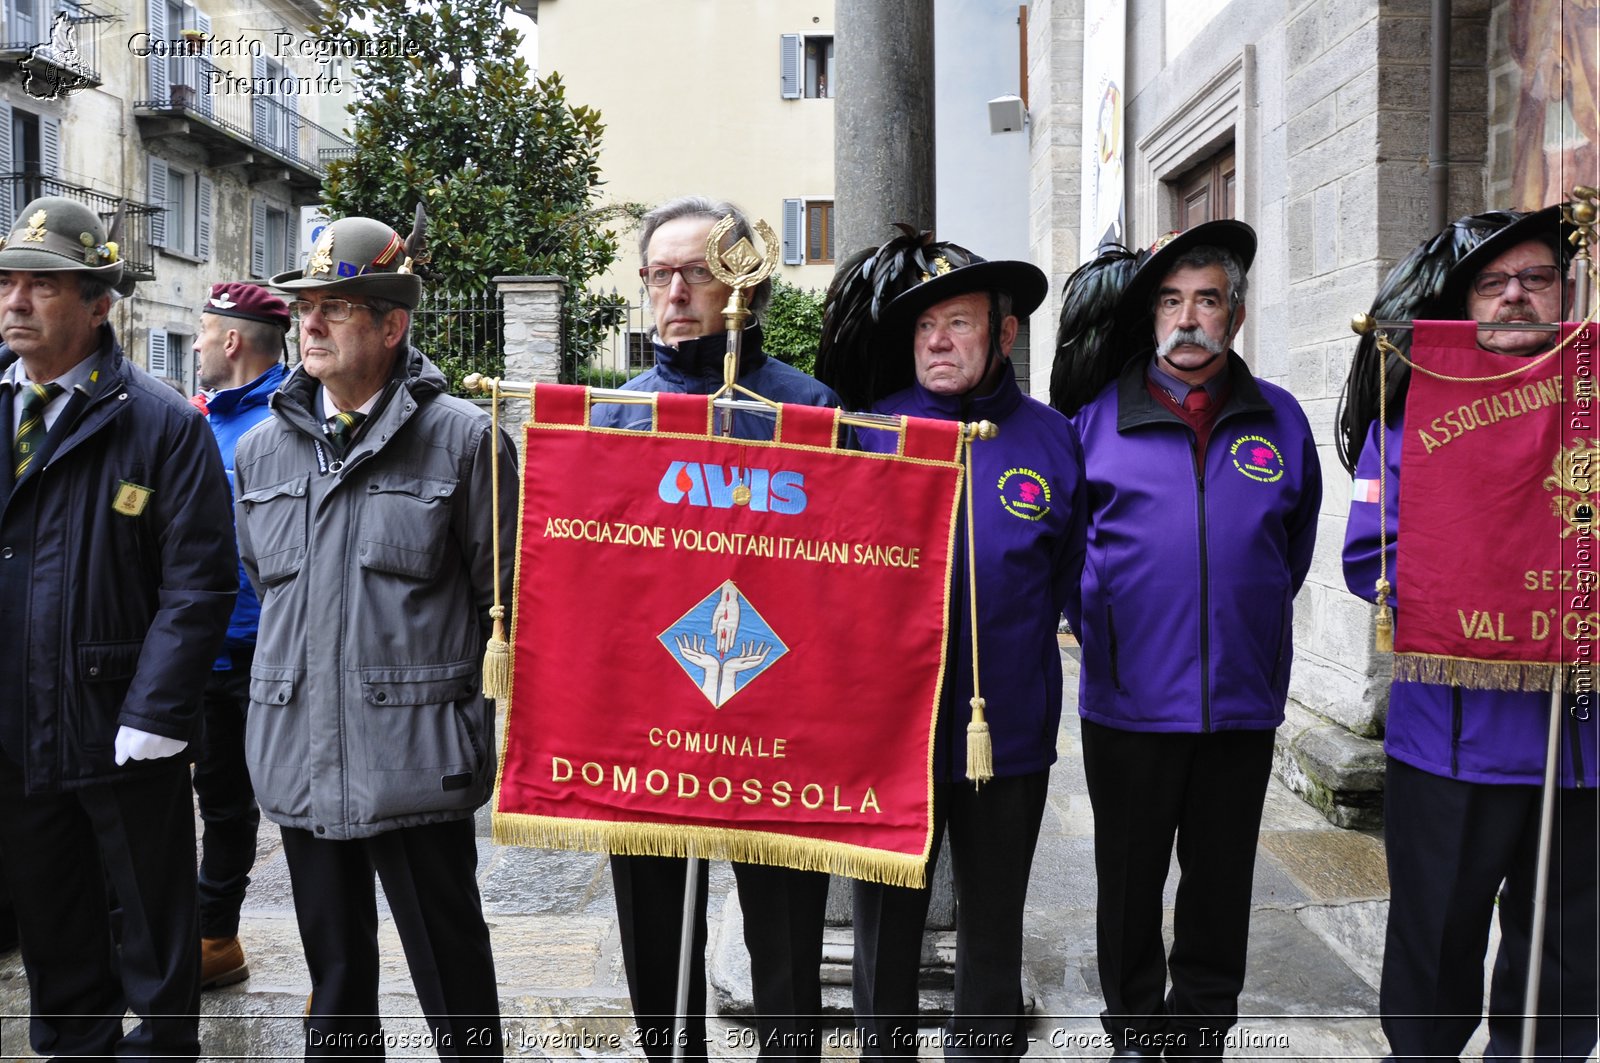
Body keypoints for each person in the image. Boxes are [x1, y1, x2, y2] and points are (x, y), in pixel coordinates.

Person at [235, 213, 515, 1059]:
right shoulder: (261, 451)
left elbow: (500, 594)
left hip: (418, 755)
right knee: (336, 980)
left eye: (337, 309)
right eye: (303, 307)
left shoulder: (465, 440)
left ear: (392, 326)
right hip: (299, 755)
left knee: (452, 972)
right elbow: (267, 585)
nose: (309, 325)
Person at [815, 231, 1087, 1060]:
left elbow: (1070, 574)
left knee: (995, 918)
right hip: (890, 731)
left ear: (1003, 335)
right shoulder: (870, 430)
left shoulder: (1052, 439)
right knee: (883, 922)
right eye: (926, 325)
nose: (937, 340)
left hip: (1006, 727)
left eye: (959, 323)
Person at [1054, 220, 1321, 1060]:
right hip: (1131, 702)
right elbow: (1068, 554)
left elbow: (1295, 544)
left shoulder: (1281, 420)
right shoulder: (1096, 423)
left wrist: (1249, 629)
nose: (1188, 318)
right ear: (1151, 315)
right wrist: (1107, 629)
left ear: (1235, 314)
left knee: (1220, 881)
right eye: (1171, 300)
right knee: (1129, 881)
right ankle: (1132, 1029)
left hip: (1241, 701)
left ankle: (1202, 1027)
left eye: (1207, 299)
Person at [1341, 205, 1599, 1062]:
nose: (1515, 297)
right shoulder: (1407, 414)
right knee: (1433, 944)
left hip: (1580, 738)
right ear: (1466, 304)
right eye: (1494, 284)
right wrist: (1488, 552)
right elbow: (1366, 557)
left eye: (1535, 279)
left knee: (1564, 959)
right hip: (1451, 738)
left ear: (1566, 293)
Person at [590, 195, 835, 1062]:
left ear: (744, 279)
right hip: (655, 713)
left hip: (776, 709)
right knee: (656, 923)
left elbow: (842, 570)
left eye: (696, 271)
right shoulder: (619, 413)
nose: (676, 292)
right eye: (660, 274)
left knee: (785, 933)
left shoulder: (810, 410)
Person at [0, 195, 237, 1058]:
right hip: (16, 727)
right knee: (53, 918)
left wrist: (157, 714)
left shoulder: (160, 422)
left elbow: (199, 583)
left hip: (118, 722)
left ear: (99, 303)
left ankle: (164, 1047)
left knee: (152, 921)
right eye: (10, 283)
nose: (16, 302)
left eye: (43, 286)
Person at [191, 281, 292, 988]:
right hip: (204, 648)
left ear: (232, 341)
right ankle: (214, 937)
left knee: (311, 812)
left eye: (201, 333)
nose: (194, 345)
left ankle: (336, 960)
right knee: (220, 800)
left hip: (276, 652)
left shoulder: (293, 417)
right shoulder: (194, 421)